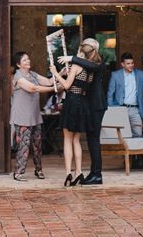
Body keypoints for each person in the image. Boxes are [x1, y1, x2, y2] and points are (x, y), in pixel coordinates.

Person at [50, 41, 98, 187]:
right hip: (83, 102)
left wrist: (55, 73)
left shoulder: (77, 66)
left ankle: (68, 173)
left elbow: (66, 86)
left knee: (67, 139)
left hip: (72, 102)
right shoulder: (90, 69)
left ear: (81, 53)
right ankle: (78, 172)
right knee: (76, 140)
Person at [63, 38, 107, 185]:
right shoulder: (88, 65)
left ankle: (96, 174)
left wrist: (72, 58)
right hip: (90, 105)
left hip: (96, 106)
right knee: (91, 139)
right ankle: (93, 173)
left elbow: (89, 65)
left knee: (94, 140)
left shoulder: (98, 64)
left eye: (84, 48)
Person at [10, 51, 57, 181]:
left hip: (34, 116)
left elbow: (48, 81)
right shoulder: (18, 77)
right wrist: (55, 88)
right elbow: (33, 88)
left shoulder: (33, 74)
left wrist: (61, 74)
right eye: (24, 60)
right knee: (24, 145)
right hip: (22, 116)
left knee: (38, 145)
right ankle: (18, 172)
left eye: (28, 59)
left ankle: (39, 170)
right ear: (18, 64)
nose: (28, 61)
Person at [107, 51, 143, 169]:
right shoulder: (115, 75)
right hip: (121, 109)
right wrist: (112, 109)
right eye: (128, 63)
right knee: (124, 135)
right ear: (122, 64)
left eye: (132, 63)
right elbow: (109, 94)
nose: (131, 66)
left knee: (138, 133)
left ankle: (138, 159)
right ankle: (127, 159)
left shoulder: (140, 74)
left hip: (135, 109)